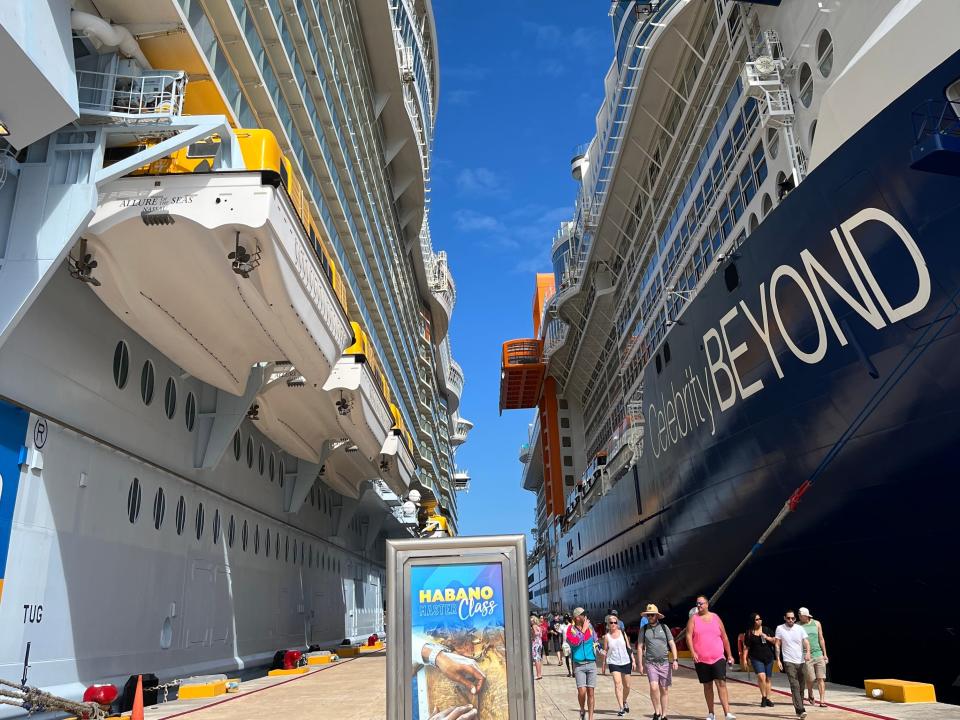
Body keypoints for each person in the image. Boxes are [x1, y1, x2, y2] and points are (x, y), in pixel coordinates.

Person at [686, 595, 736, 720]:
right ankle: (711, 713)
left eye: (701, 603)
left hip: (718, 657)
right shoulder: (693, 619)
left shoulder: (716, 618)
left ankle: (727, 713)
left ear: (707, 604)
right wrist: (693, 652)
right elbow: (688, 636)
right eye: (697, 603)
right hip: (701, 659)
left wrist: (729, 654)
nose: (699, 606)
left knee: (721, 683)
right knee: (707, 686)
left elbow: (724, 637)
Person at [636, 603, 678, 720]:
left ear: (657, 616)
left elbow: (672, 643)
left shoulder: (664, 628)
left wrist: (675, 659)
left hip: (664, 663)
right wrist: (640, 664)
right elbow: (640, 647)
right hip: (651, 663)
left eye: (652, 615)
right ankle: (657, 712)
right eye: (648, 615)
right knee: (654, 687)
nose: (650, 617)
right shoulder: (644, 630)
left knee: (664, 689)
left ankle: (664, 714)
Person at [775, 609, 811, 719]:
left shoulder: (800, 628)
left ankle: (798, 709)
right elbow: (777, 645)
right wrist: (778, 659)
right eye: (788, 618)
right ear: (785, 618)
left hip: (801, 661)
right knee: (794, 685)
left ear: (795, 619)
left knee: (801, 687)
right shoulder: (780, 628)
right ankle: (801, 709)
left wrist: (808, 652)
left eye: (793, 618)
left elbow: (806, 641)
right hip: (788, 661)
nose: (791, 620)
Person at [566, 608, 597, 720]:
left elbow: (595, 640)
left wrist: (601, 649)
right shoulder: (570, 629)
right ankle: (582, 709)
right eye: (583, 614)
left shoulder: (590, 627)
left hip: (591, 663)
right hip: (579, 664)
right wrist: (583, 630)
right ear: (577, 617)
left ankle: (591, 717)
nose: (585, 616)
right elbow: (574, 643)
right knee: (582, 691)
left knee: (591, 692)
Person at [742, 612, 776, 707]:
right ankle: (763, 697)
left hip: (768, 657)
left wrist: (767, 637)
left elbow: (775, 641)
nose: (759, 620)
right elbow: (746, 647)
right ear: (753, 621)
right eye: (757, 619)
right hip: (756, 658)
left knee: (768, 679)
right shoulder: (749, 633)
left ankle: (768, 698)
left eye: (760, 618)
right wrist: (744, 659)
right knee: (761, 677)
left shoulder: (766, 629)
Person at [603, 614, 633, 717]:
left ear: (618, 623)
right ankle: (621, 708)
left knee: (627, 686)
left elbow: (628, 647)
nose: (613, 624)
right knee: (617, 684)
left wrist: (633, 659)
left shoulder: (622, 633)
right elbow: (605, 651)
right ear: (608, 624)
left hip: (625, 661)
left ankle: (624, 701)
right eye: (611, 623)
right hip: (613, 662)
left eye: (615, 622)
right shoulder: (606, 637)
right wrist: (603, 664)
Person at [798, 608, 828, 707]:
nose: (799, 616)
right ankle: (810, 693)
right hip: (806, 656)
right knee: (810, 678)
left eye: (800, 615)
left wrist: (825, 654)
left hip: (818, 654)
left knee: (821, 678)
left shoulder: (817, 623)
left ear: (806, 615)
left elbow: (821, 638)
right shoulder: (797, 626)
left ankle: (822, 701)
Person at [531, 615, 544, 680]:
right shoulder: (539, 627)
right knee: (538, 659)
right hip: (540, 642)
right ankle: (539, 674)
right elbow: (540, 634)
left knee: (536, 659)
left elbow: (535, 633)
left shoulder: (533, 626)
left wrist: (532, 635)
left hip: (535, 643)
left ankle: (538, 675)